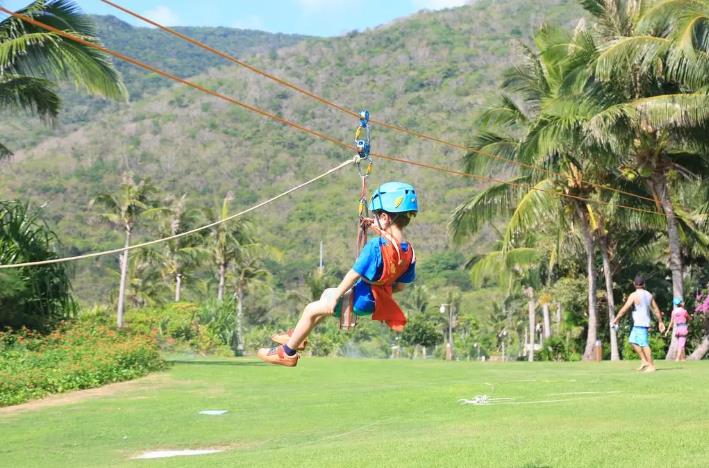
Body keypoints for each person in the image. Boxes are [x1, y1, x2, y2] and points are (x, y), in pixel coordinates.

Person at [257, 181, 418, 367]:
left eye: (377, 215)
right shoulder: (409, 252)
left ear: (384, 217)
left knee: (312, 308)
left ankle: (287, 353)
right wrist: (380, 288)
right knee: (326, 293)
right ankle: (299, 337)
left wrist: (338, 296)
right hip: (375, 301)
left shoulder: (376, 246)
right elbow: (400, 286)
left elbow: (353, 275)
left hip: (361, 299)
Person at [612, 275, 666, 372]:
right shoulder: (649, 294)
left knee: (644, 344)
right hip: (638, 324)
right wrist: (660, 321)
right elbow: (656, 309)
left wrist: (617, 318)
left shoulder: (633, 295)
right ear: (644, 284)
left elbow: (624, 309)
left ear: (634, 284)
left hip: (641, 324)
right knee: (632, 341)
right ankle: (644, 361)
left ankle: (651, 366)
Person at [665, 297, 690, 362]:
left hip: (678, 328)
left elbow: (671, 322)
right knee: (681, 344)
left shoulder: (673, 312)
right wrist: (690, 318)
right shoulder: (684, 311)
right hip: (683, 328)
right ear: (681, 303)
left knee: (681, 343)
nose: (683, 303)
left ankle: (683, 358)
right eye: (682, 302)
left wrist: (667, 330)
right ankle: (677, 358)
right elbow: (689, 318)